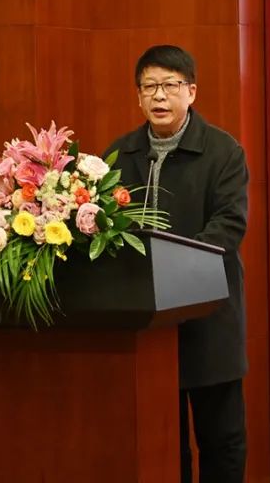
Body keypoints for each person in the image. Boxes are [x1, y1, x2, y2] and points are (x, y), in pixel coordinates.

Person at [106, 44, 249, 483]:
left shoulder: (222, 151)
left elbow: (229, 225)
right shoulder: (120, 155)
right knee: (162, 438)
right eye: (149, 86)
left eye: (170, 85)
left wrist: (176, 266)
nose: (159, 96)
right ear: (138, 96)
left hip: (208, 313)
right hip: (146, 321)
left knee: (220, 438)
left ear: (191, 92)